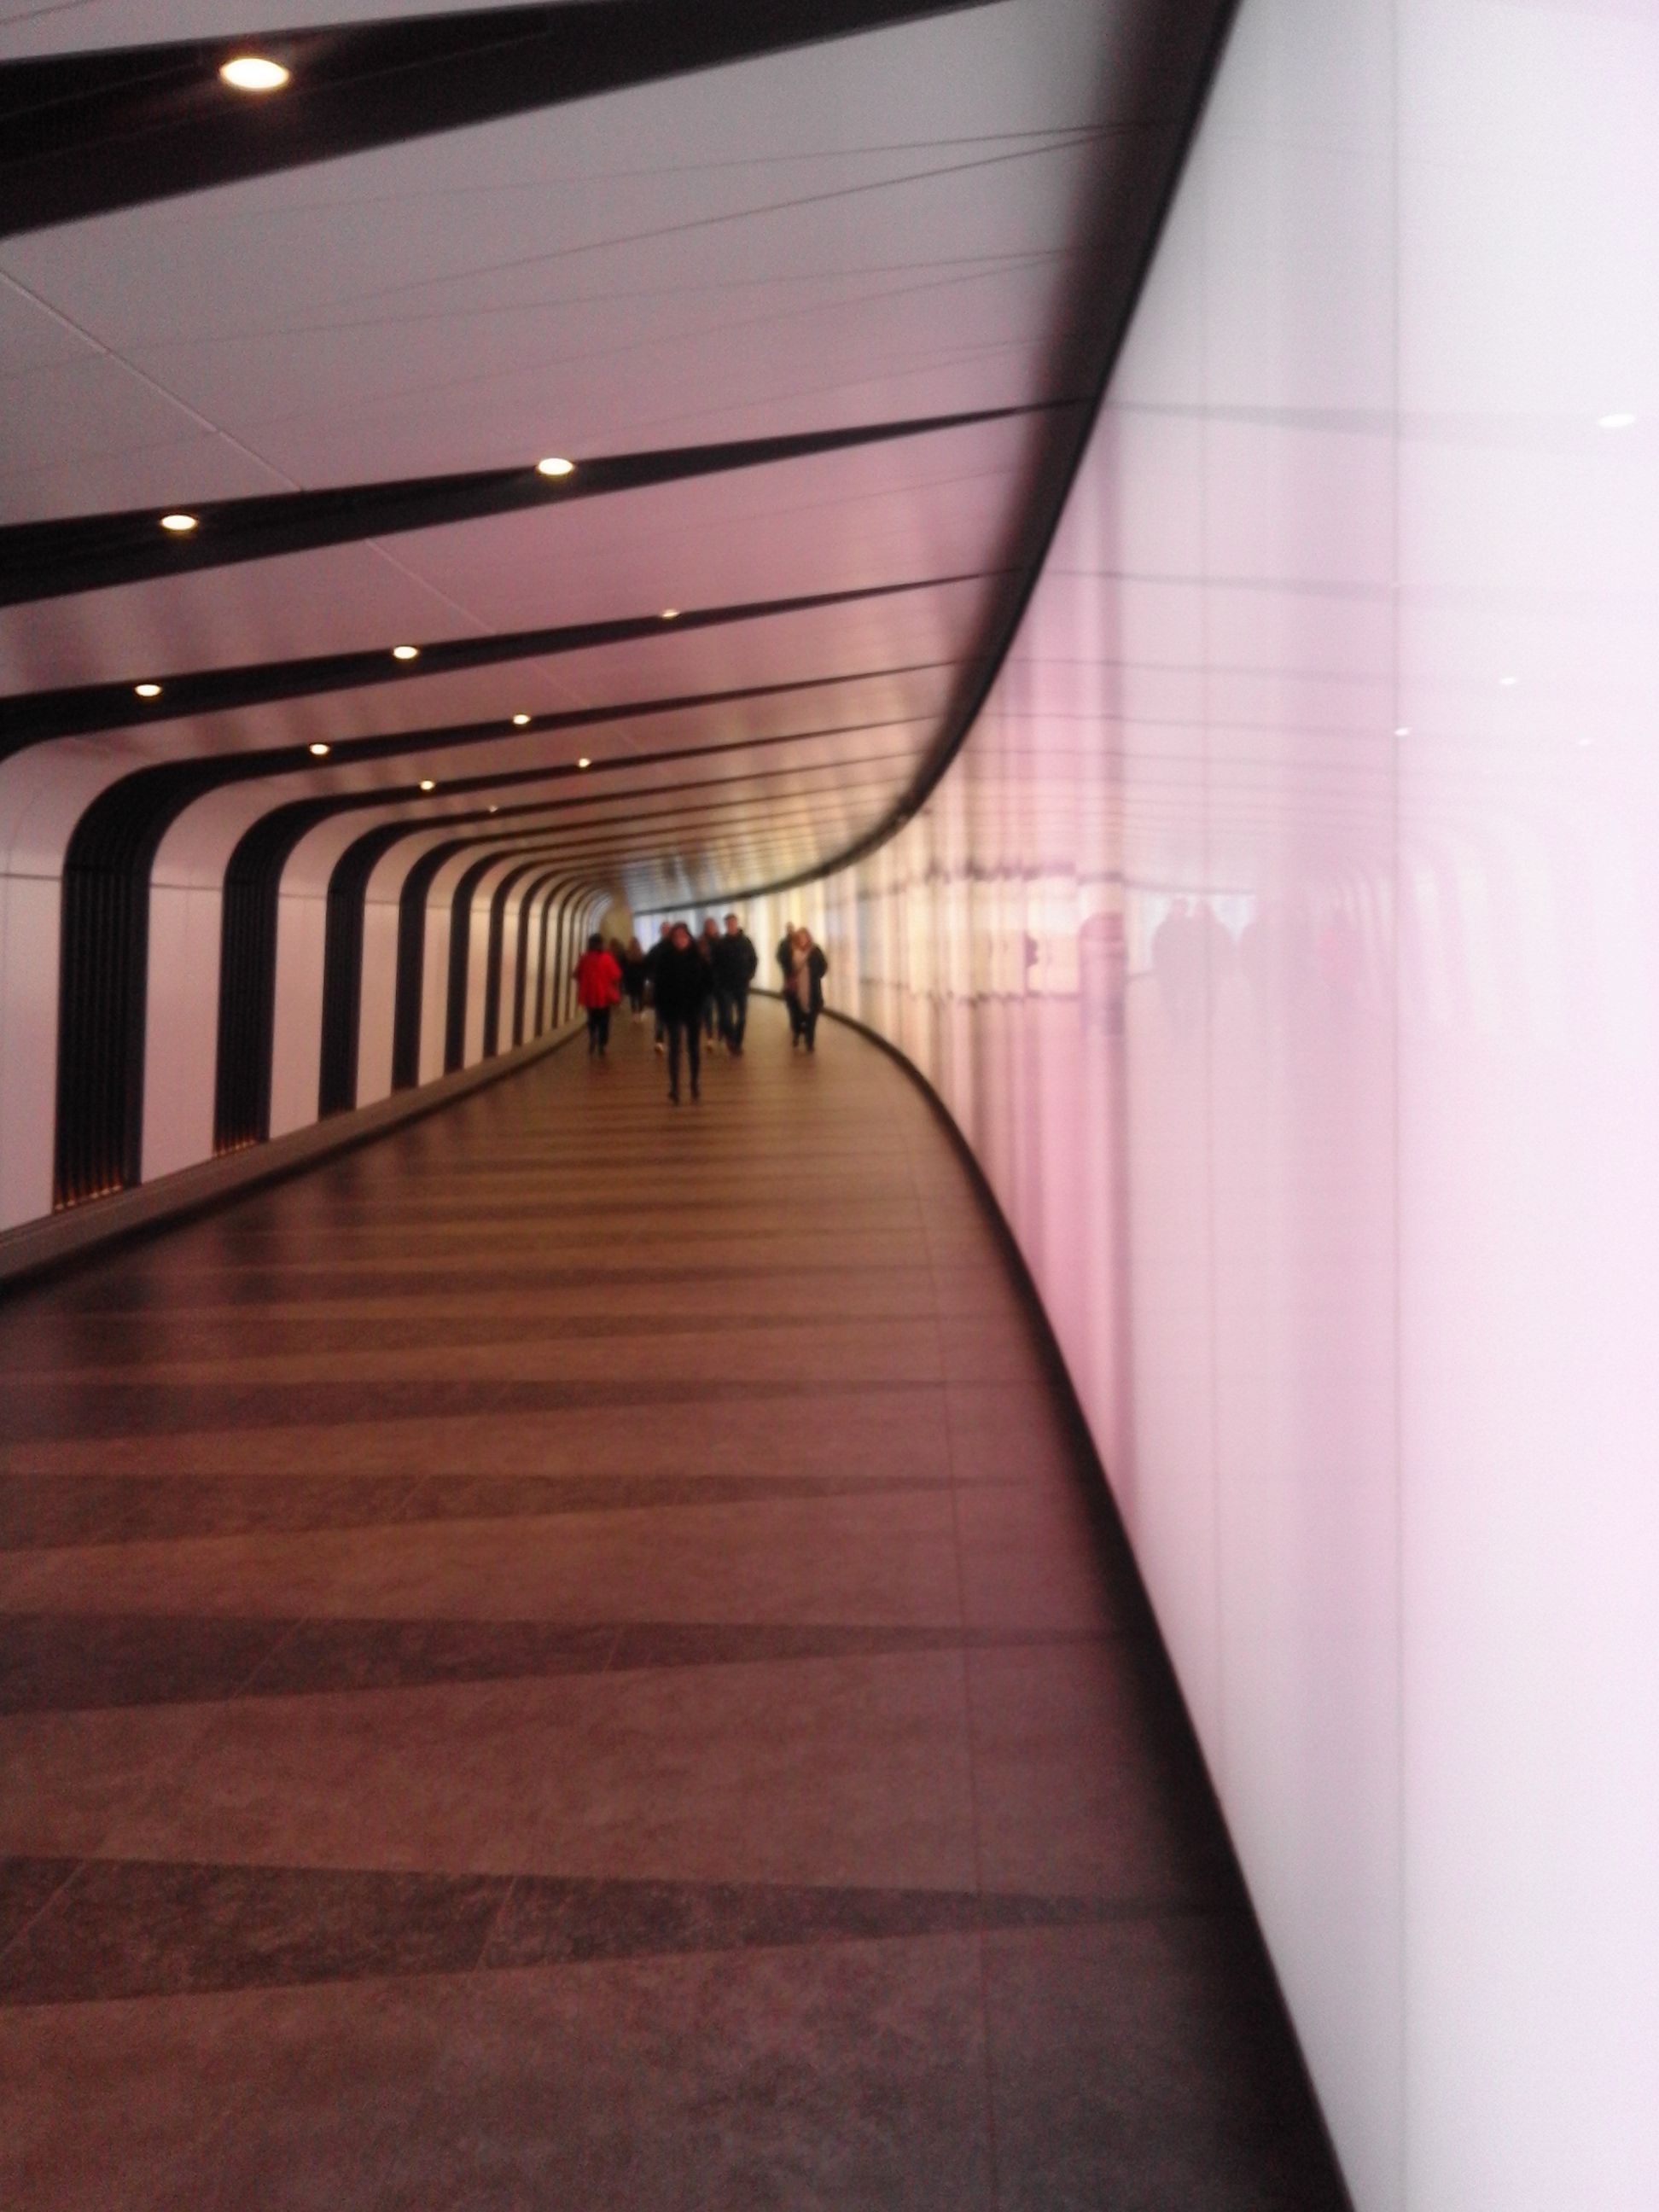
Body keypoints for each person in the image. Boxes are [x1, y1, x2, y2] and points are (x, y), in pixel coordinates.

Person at [651, 921, 708, 1103]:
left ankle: (694, 1083)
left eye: (683, 936)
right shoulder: (664, 957)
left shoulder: (698, 957)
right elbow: (657, 984)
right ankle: (675, 1087)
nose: (680, 940)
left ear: (689, 937)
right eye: (676, 937)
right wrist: (660, 1006)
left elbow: (708, 981)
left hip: (693, 1008)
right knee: (675, 1048)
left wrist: (702, 1000)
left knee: (693, 1048)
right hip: (672, 1009)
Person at [713, 911, 759, 1053]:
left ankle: (737, 1042)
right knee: (726, 1016)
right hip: (726, 985)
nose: (731, 925)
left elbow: (754, 959)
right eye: (728, 923)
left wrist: (749, 975)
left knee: (742, 1017)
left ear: (736, 923)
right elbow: (715, 964)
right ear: (726, 925)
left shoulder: (746, 942)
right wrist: (718, 980)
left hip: (741, 985)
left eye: (733, 922)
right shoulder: (720, 943)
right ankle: (731, 1040)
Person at [573, 932, 621, 1056]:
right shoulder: (607, 957)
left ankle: (592, 1035)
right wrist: (616, 991)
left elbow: (577, 974)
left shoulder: (584, 958)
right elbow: (616, 976)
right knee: (604, 1020)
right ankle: (602, 1043)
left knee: (591, 1018)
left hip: (589, 994)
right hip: (604, 994)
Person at [784, 925, 829, 1051]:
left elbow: (824, 966)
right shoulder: (791, 951)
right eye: (800, 937)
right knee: (797, 1016)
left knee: (812, 1017)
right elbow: (786, 966)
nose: (802, 939)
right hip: (796, 989)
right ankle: (797, 1033)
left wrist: (815, 974)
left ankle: (810, 1042)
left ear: (808, 938)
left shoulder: (815, 951)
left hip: (812, 989)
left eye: (804, 937)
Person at [643, 918, 673, 1053]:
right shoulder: (656, 949)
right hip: (660, 987)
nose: (666, 932)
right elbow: (647, 965)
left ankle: (672, 1038)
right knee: (660, 1015)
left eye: (668, 929)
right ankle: (659, 1040)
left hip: (676, 988)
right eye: (664, 929)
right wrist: (652, 978)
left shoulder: (677, 948)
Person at [698, 917, 722, 1041]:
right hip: (707, 982)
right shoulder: (701, 942)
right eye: (708, 926)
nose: (711, 928)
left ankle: (720, 1031)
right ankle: (710, 1036)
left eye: (712, 926)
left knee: (722, 1008)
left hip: (720, 981)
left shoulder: (721, 941)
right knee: (708, 1008)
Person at [620, 934, 648, 1018]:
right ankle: (641, 1012)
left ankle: (634, 1014)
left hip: (630, 979)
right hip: (640, 979)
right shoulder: (642, 954)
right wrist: (645, 976)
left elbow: (622, 967)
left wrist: (624, 977)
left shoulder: (626, 954)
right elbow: (646, 967)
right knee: (640, 996)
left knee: (632, 997)